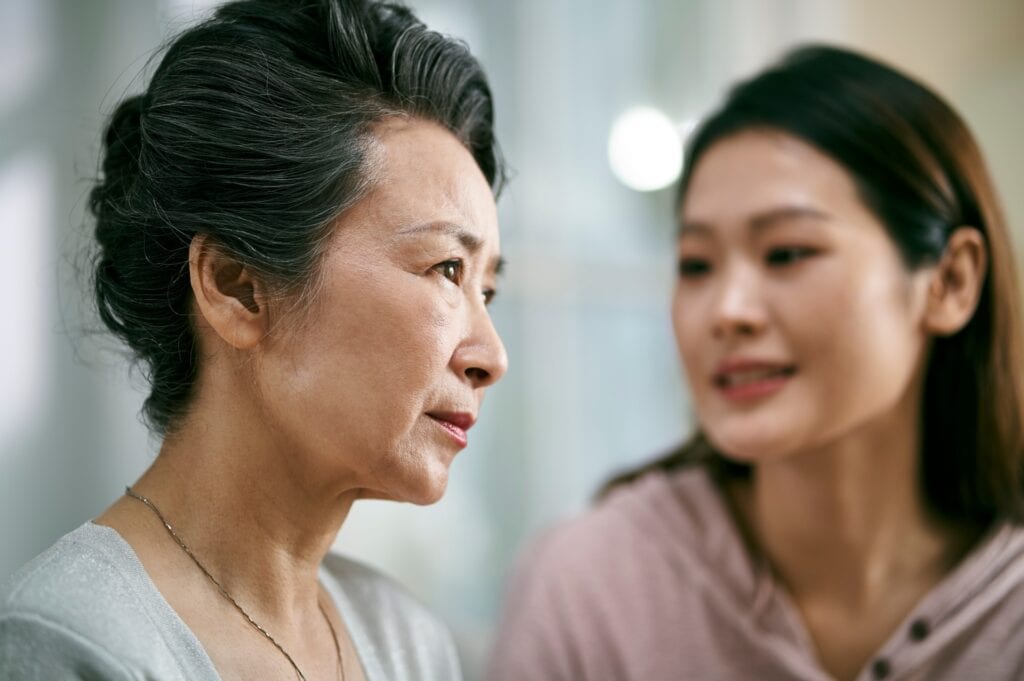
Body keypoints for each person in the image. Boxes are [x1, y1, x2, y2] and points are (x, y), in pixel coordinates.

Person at [0, 0, 508, 679]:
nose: (492, 356)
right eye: (447, 268)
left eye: (488, 290)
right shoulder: (75, 640)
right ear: (238, 288)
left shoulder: (410, 642)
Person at [488, 44, 1024, 681]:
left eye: (787, 253)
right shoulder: (590, 586)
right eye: (696, 265)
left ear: (950, 283)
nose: (727, 311)